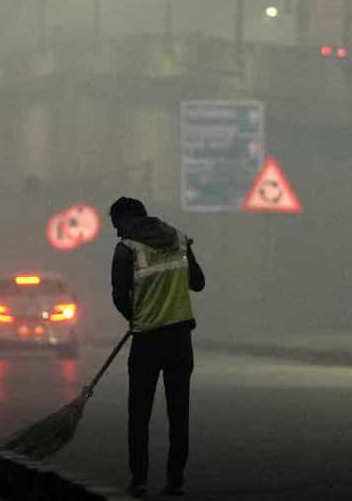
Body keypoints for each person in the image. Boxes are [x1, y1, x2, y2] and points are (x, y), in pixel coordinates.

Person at [109, 196, 206, 498]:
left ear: (127, 219)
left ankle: (139, 480)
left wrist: (136, 317)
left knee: (139, 413)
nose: (116, 232)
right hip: (180, 339)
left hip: (147, 341)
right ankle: (175, 481)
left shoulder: (126, 249)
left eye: (116, 225)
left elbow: (120, 296)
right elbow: (199, 283)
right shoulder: (178, 239)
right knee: (179, 413)